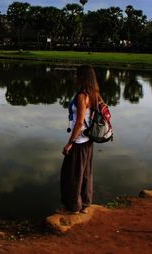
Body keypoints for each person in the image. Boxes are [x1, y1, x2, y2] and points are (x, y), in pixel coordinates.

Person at [59, 65, 101, 214]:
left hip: (79, 141)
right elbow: (93, 117)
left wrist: (70, 143)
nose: (75, 78)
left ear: (82, 77)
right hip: (88, 140)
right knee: (85, 173)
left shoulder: (82, 96)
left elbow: (79, 122)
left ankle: (74, 207)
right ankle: (85, 203)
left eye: (78, 75)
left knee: (71, 175)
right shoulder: (94, 94)